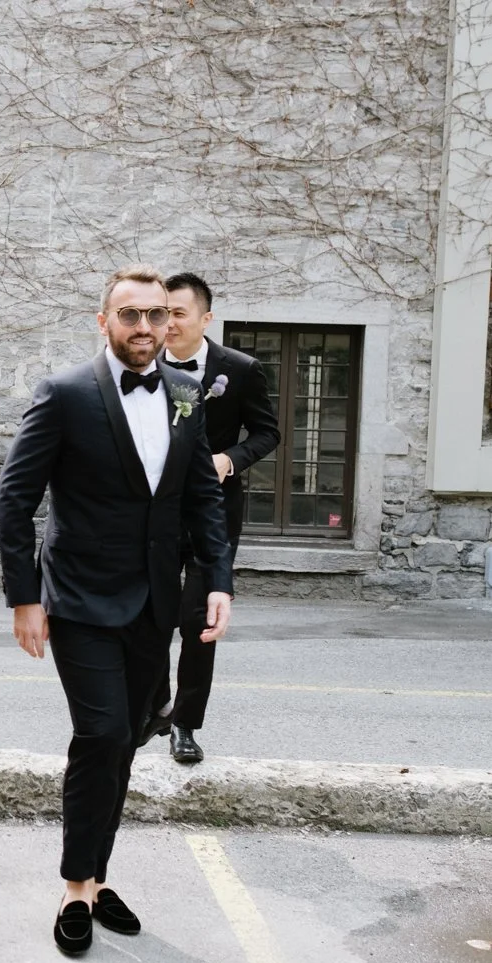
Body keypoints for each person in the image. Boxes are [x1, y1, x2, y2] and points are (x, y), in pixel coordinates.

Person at [0, 265, 234, 957]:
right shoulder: (66, 393)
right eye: (130, 315)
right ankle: (76, 885)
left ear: (173, 323)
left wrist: (217, 579)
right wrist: (23, 597)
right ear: (104, 322)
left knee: (127, 736)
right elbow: (15, 498)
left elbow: (202, 500)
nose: (145, 328)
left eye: (157, 316)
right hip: (79, 597)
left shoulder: (187, 394)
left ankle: (99, 878)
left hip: (155, 601)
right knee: (100, 734)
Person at [150, 272, 279, 763]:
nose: (168, 323)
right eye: (163, 313)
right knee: (154, 613)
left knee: (198, 620)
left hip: (215, 514)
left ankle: (185, 722)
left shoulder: (240, 369)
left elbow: (267, 433)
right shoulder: (141, 365)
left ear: (205, 319)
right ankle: (156, 705)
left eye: (178, 313)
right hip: (156, 516)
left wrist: (230, 459)